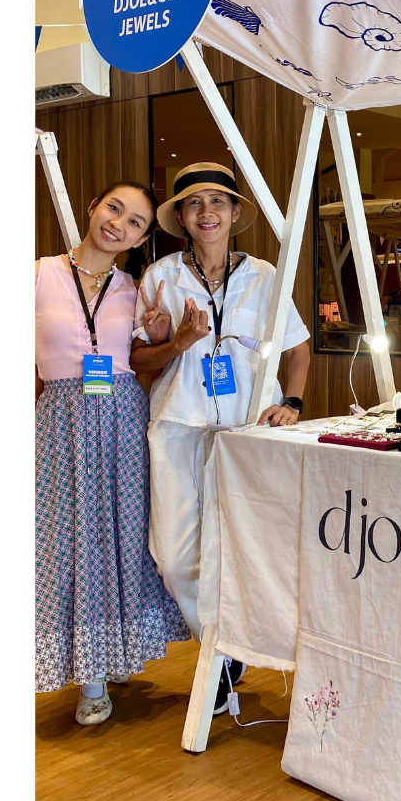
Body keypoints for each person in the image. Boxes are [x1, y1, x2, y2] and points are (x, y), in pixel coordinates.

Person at [132, 162, 311, 714]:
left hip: (248, 429)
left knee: (251, 547)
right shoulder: (159, 276)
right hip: (178, 425)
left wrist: (292, 403)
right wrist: (180, 341)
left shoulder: (264, 274)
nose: (206, 212)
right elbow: (140, 363)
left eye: (217, 201)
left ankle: (221, 665)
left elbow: (299, 350)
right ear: (181, 218)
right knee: (173, 553)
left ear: (235, 212)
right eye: (193, 203)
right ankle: (226, 650)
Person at [34, 182, 187, 726]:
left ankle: (114, 649)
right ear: (93, 205)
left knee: (123, 537)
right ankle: (90, 674)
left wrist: (171, 339)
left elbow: (141, 361)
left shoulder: (135, 289)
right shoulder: (38, 273)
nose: (119, 224)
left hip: (123, 417)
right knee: (69, 541)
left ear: (140, 238)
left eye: (136, 222)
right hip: (62, 420)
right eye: (114, 209)